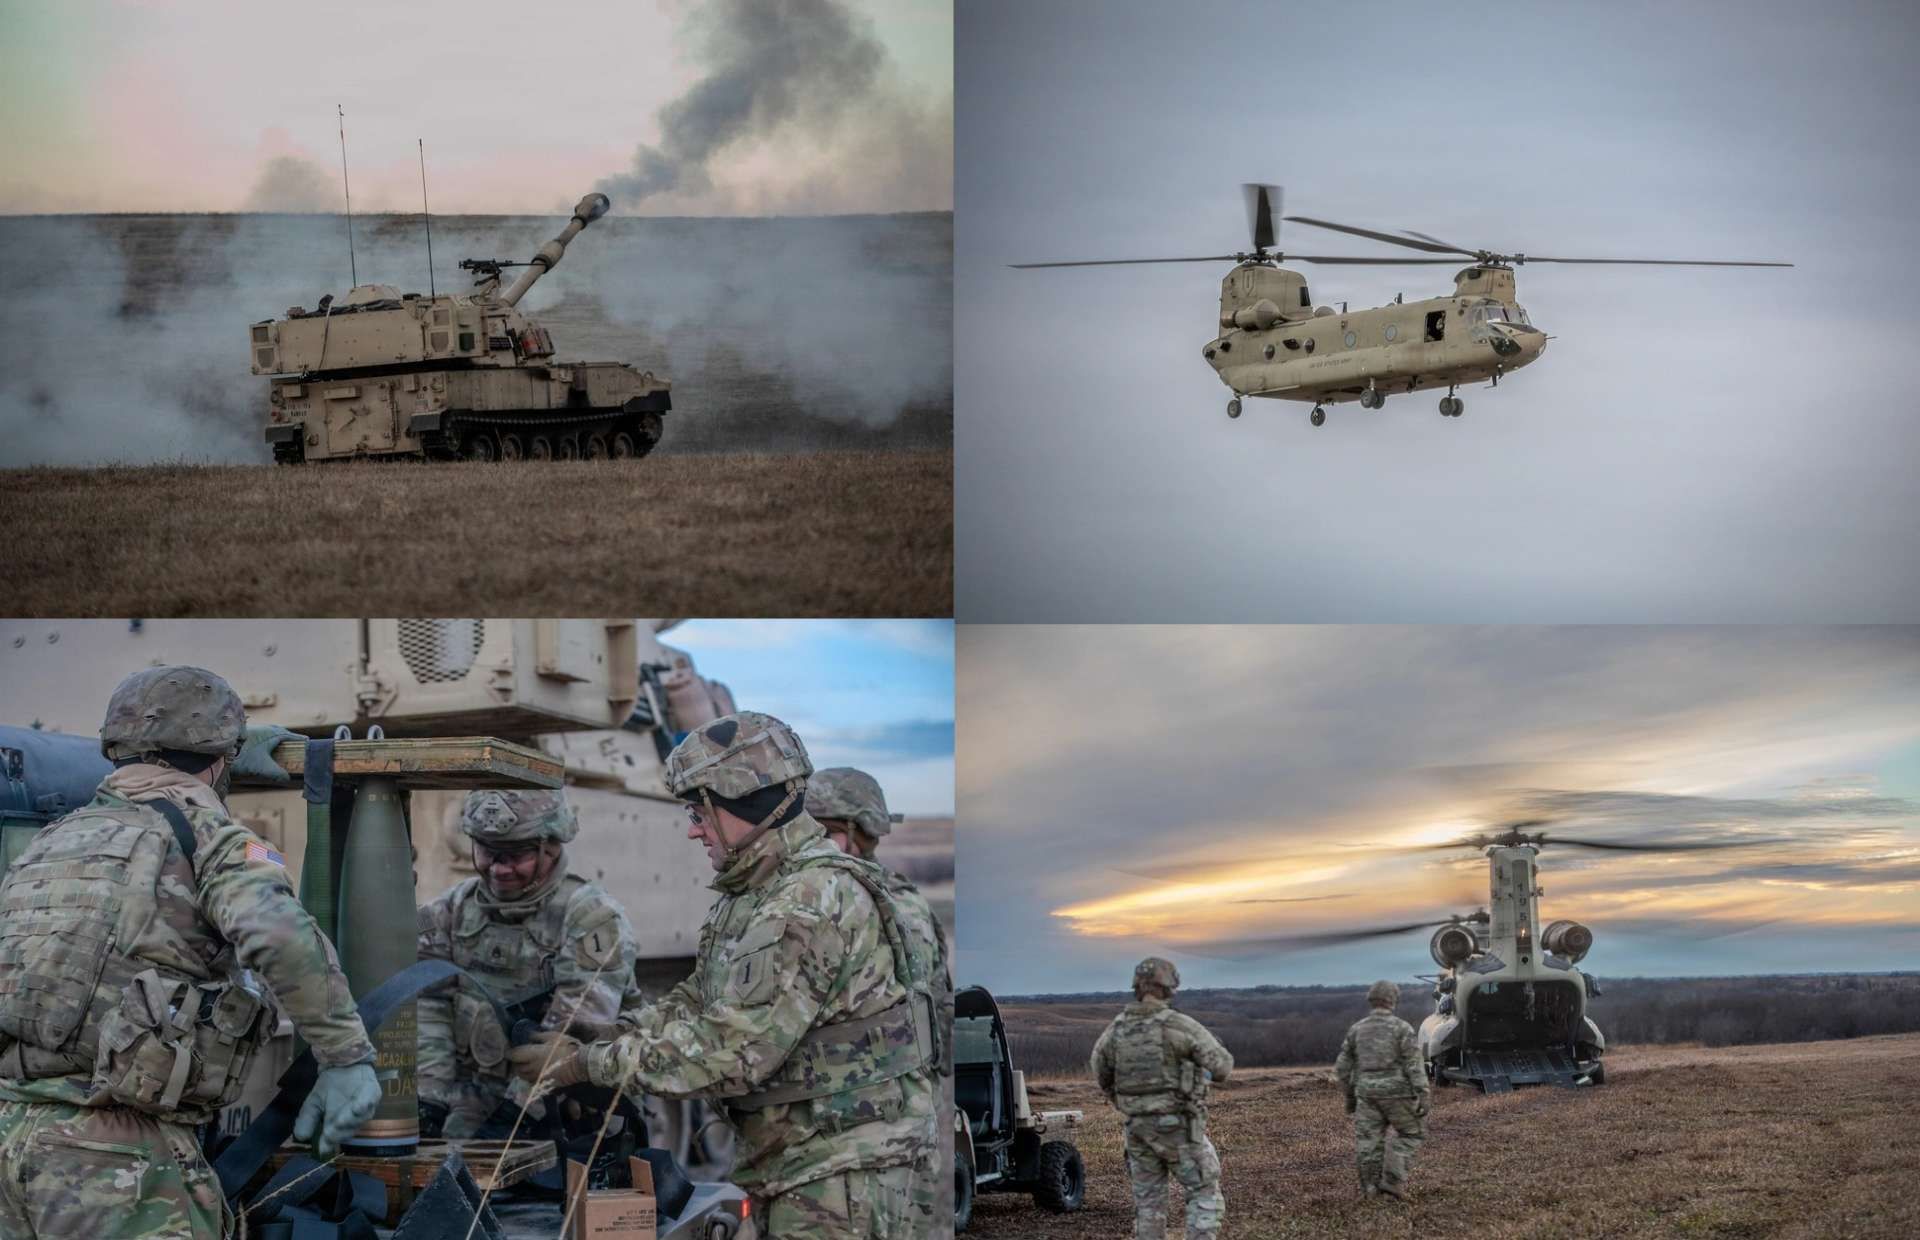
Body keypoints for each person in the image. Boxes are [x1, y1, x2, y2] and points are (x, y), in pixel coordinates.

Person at [507, 712, 939, 1238]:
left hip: (842, 1169)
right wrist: (611, 1033)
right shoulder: (755, 891)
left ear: (740, 799)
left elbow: (733, 1051)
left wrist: (584, 1065)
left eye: (699, 809)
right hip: (806, 1158)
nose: (692, 829)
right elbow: (701, 998)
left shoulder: (804, 902)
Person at [0, 666, 380, 1238]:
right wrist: (346, 1057)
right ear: (223, 756)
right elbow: (279, 934)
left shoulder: (53, 839)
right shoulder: (214, 837)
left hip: (13, 1138)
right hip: (116, 1165)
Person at [415, 788, 647, 1139]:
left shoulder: (590, 917)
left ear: (551, 847)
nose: (499, 868)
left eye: (516, 855)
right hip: (477, 1096)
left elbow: (574, 1029)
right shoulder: (452, 909)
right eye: (488, 852)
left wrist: (517, 1114)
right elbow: (430, 1005)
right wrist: (429, 1099)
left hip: (563, 1102)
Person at [807, 767, 954, 1233]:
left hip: (841, 1144)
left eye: (822, 830)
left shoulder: (822, 905)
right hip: (912, 1131)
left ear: (849, 833)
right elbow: (940, 1022)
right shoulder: (909, 903)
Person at [1091, 957, 1233, 1240]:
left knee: (1148, 1207)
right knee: (1204, 1193)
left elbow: (1100, 1071)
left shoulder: (1116, 1030)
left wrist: (1125, 1104)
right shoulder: (1179, 1026)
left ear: (1137, 987)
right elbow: (1222, 1067)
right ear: (1168, 988)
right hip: (1177, 1126)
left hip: (1137, 1131)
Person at [1334, 980, 1430, 1202]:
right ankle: (1393, 1180)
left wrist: (1350, 1098)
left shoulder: (1357, 1029)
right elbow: (1414, 1064)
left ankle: (1370, 1190)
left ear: (1371, 999)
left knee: (1368, 1142)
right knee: (1412, 1133)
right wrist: (1423, 1093)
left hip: (1366, 1094)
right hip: (1398, 1094)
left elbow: (1342, 1069)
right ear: (1393, 1000)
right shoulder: (1401, 1028)